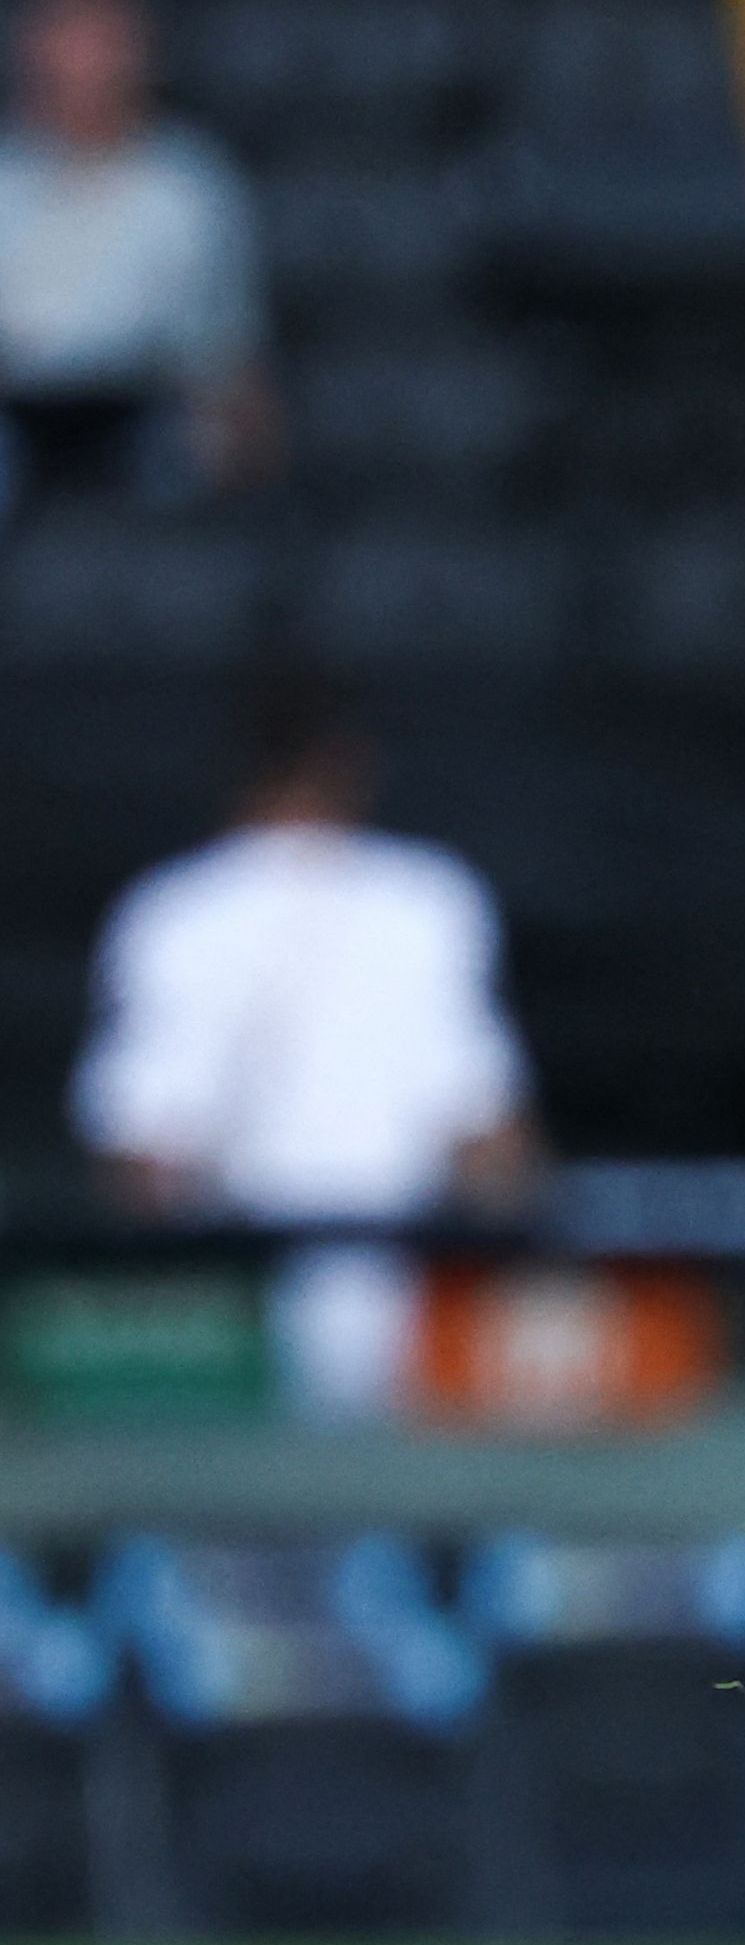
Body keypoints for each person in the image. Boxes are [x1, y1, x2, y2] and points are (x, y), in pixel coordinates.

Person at [72, 674, 534, 1424]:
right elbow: (490, 1142)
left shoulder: (174, 910)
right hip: (347, 1297)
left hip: (280, 1305)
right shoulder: (424, 900)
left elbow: (140, 1161)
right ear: (352, 765)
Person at [0, 0, 267, 505]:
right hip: (17, 414)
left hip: (148, 408)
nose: (85, 64)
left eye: (102, 43)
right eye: (68, 41)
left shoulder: (190, 185)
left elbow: (227, 355)